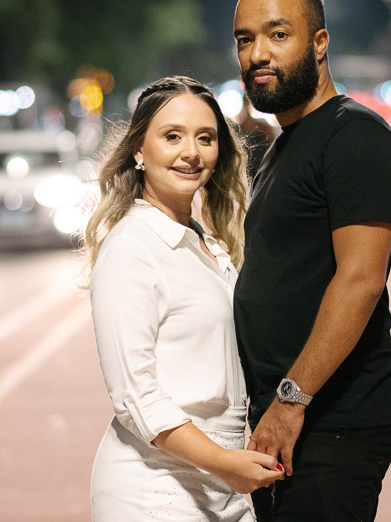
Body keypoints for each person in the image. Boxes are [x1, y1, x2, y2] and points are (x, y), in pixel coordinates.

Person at [232, 0, 391, 521]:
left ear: (320, 43)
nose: (258, 53)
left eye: (277, 34)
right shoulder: (286, 146)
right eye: (244, 39)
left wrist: (290, 401)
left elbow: (360, 280)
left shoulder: (355, 137)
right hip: (288, 421)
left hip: (330, 423)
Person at [83, 76, 284, 521]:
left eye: (205, 138)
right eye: (172, 136)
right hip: (154, 490)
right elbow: (136, 396)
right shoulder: (132, 248)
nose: (190, 152)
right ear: (139, 150)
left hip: (217, 485)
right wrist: (226, 463)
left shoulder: (207, 243)